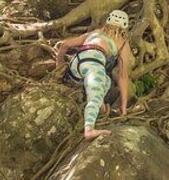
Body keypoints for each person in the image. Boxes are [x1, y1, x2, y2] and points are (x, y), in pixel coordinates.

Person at [56, 10, 132, 140]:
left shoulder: (95, 32)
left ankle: (98, 101)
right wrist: (123, 107)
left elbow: (65, 45)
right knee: (95, 94)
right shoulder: (122, 42)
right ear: (124, 28)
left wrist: (60, 65)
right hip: (93, 63)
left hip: (77, 65)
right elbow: (123, 76)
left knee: (106, 81)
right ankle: (89, 129)